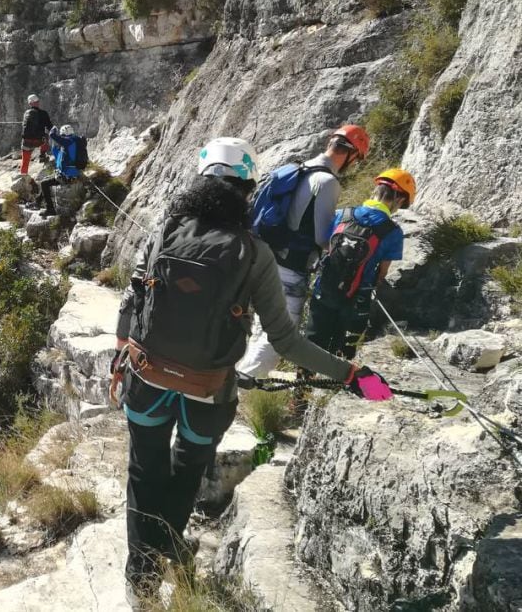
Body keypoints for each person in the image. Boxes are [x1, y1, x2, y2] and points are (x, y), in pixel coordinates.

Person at [112, 137, 392, 598]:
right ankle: (169, 547)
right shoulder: (254, 252)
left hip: (147, 376)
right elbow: (285, 340)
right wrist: (351, 374)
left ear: (199, 184)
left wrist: (122, 351)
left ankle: (140, 577)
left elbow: (132, 298)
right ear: (246, 191)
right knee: (187, 468)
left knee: (145, 470)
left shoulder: (164, 230)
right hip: (210, 389)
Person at [237, 124, 371, 377]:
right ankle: (238, 386)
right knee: (279, 337)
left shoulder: (297, 167)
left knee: (261, 325)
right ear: (351, 154)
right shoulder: (328, 181)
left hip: (264, 257)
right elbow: (321, 236)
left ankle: (235, 376)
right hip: (290, 267)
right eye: (357, 159)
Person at [306, 169, 414, 359]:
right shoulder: (392, 231)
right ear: (398, 199)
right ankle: (335, 383)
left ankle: (303, 382)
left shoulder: (343, 213)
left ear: (376, 190)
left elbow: (326, 245)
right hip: (356, 298)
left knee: (314, 342)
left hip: (324, 290)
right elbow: (382, 272)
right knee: (344, 350)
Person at [35, 124, 85, 216]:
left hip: (68, 176)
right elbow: (56, 151)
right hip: (74, 173)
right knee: (47, 180)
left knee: (44, 183)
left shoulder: (68, 141)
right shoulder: (75, 141)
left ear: (63, 134)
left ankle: (50, 209)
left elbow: (53, 135)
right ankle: (37, 202)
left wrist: (53, 129)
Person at [20, 94, 53, 175]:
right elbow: (50, 126)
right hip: (39, 141)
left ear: (30, 103)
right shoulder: (43, 113)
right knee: (46, 136)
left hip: (26, 141)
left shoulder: (26, 113)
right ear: (37, 102)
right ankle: (42, 155)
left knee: (25, 160)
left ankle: (23, 174)